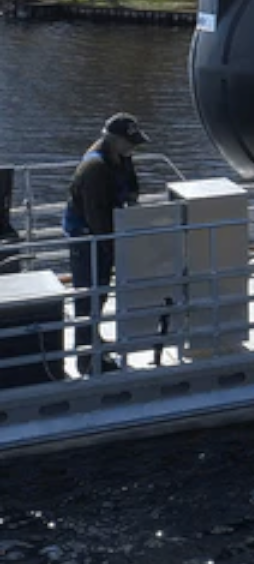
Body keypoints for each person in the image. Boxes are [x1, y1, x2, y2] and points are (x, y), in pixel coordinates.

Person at [63, 113, 149, 375]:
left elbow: (131, 185)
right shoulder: (95, 168)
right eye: (129, 143)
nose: (132, 148)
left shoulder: (120, 156)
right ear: (113, 139)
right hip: (88, 236)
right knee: (88, 296)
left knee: (100, 293)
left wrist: (133, 203)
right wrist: (113, 248)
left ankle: (95, 339)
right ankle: (87, 359)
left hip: (108, 229)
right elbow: (97, 215)